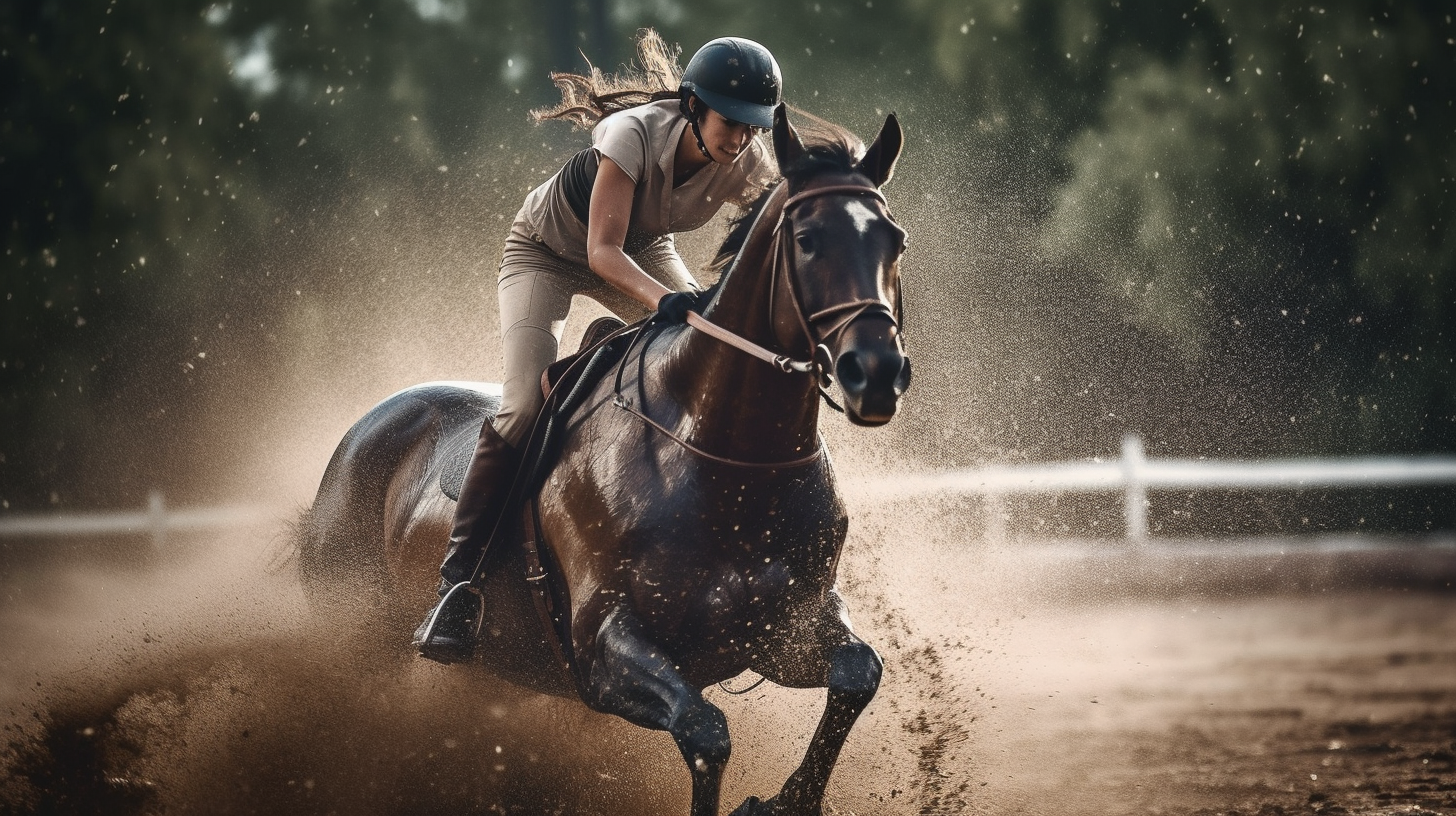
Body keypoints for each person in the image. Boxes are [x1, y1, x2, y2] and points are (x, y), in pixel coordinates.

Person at [413, 30, 783, 662]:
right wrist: (664, 302)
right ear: (694, 106)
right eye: (731, 122)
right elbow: (599, 253)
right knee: (522, 409)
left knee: (709, 356)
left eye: (754, 126)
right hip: (549, 254)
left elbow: (774, 232)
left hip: (642, 249)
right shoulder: (633, 134)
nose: (741, 138)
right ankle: (457, 587)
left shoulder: (746, 160)